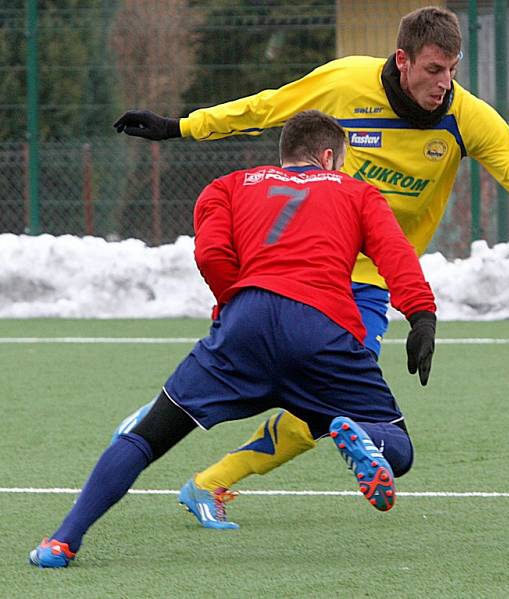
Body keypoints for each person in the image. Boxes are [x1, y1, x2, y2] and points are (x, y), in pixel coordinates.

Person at [111, 6, 509, 529]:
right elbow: (266, 109)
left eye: (452, 70)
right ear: (402, 60)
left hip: (369, 278)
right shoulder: (344, 83)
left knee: (327, 407)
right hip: (303, 264)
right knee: (322, 399)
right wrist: (181, 126)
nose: (444, 83)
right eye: (433, 69)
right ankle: (180, 436)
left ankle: (191, 456)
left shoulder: (465, 117)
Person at [29, 110, 437, 568]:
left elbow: (210, 253)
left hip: (244, 329)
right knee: (398, 448)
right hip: (322, 331)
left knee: (145, 437)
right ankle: (362, 434)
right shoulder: (357, 192)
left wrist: (237, 307)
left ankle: (62, 541)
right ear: (327, 157)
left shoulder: (228, 186)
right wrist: (421, 315)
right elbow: (394, 254)